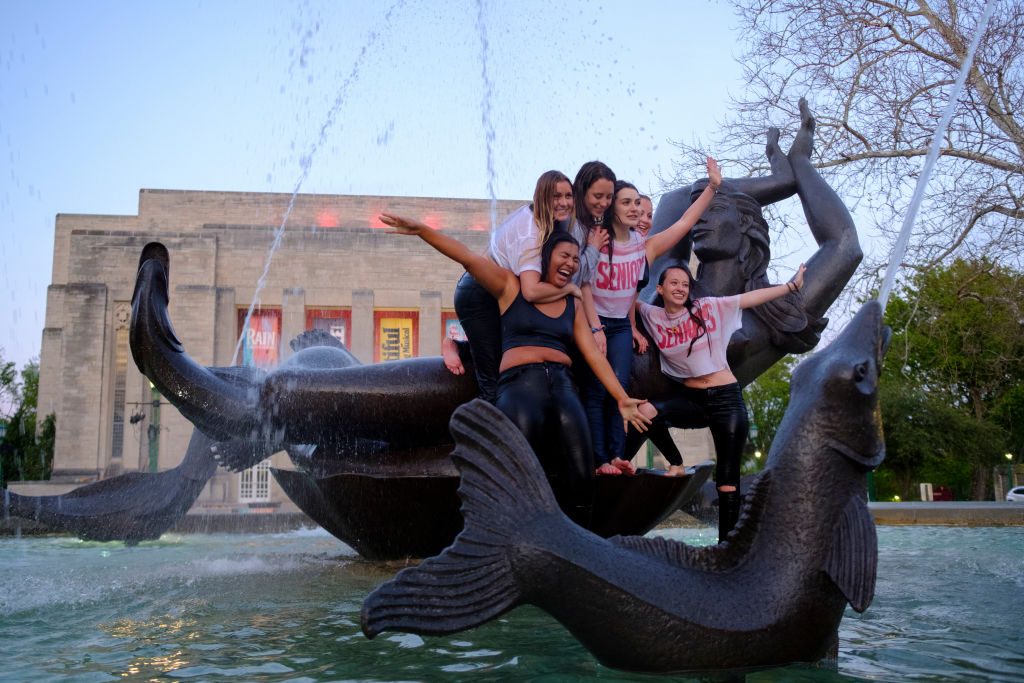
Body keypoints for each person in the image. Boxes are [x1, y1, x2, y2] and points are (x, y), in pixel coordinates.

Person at [380, 214, 651, 525]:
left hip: (564, 387)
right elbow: (467, 257)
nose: (572, 264)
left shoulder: (572, 304)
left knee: (582, 469)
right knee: (516, 467)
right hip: (522, 386)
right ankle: (508, 538)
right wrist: (423, 230)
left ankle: (578, 544)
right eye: (565, 256)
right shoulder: (511, 287)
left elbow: (593, 355)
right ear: (546, 258)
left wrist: (621, 398)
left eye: (577, 259)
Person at [627, 261, 806, 543]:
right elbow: (628, 299)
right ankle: (676, 462)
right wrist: (635, 330)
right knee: (644, 412)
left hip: (726, 400)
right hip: (691, 399)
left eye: (685, 284)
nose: (680, 288)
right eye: (673, 283)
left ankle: (726, 547)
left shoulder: (706, 308)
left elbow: (747, 299)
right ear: (660, 289)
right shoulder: (653, 314)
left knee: (727, 481)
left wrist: (790, 286)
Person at [583, 158, 722, 476]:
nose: (633, 208)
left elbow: (684, 224)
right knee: (595, 389)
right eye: (626, 202)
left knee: (619, 390)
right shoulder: (595, 240)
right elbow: (582, 285)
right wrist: (594, 328)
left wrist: (712, 186)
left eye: (636, 202)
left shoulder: (642, 246)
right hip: (591, 322)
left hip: (618, 326)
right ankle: (598, 460)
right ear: (611, 207)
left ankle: (617, 457)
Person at [452, 171, 581, 401]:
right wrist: (569, 290)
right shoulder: (531, 233)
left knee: (500, 350)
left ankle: (459, 346)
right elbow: (531, 292)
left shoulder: (548, 222)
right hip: (478, 296)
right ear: (542, 197)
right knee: (493, 383)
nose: (564, 202)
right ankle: (482, 430)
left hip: (499, 290)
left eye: (568, 195)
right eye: (556, 196)